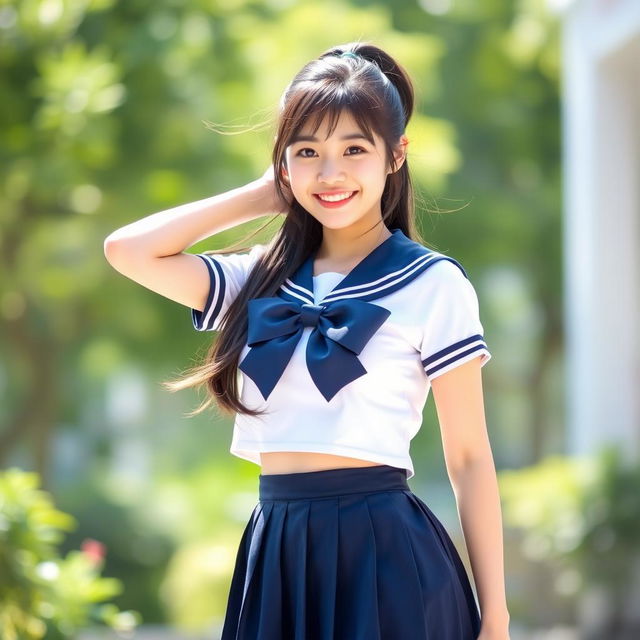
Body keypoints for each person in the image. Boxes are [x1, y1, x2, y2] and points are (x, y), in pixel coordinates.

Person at [104, 42, 510, 640]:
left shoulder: (433, 283)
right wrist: (260, 194)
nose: (331, 173)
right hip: (279, 548)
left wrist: (495, 615)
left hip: (386, 550)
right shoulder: (258, 278)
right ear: (283, 164)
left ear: (396, 156)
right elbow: (128, 250)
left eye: (354, 150)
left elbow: (470, 457)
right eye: (307, 152)